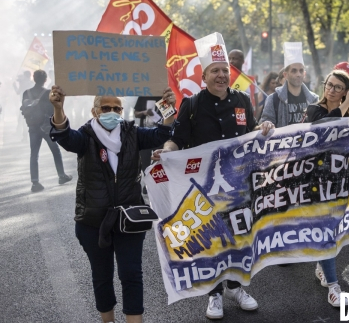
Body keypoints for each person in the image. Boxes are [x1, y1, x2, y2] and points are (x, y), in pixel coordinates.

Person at [154, 33, 273, 320]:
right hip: (205, 186)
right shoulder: (192, 105)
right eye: (215, 71)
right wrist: (165, 152)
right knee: (212, 240)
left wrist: (265, 127)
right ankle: (215, 294)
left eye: (224, 71)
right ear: (205, 75)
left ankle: (237, 287)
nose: (222, 75)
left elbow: (252, 134)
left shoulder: (243, 100)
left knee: (239, 237)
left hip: (239, 183)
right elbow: (177, 141)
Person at [49, 84, 176, 323]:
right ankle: (108, 320)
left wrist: (168, 105)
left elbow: (162, 134)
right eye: (105, 107)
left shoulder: (132, 133)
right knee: (102, 276)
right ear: (94, 111)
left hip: (130, 221)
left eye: (117, 108)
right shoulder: (85, 137)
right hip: (93, 222)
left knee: (132, 275)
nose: (112, 112)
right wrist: (58, 108)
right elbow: (64, 136)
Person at [305, 70, 349, 307]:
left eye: (338, 87)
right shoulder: (314, 109)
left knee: (333, 229)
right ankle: (334, 286)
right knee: (325, 229)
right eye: (329, 85)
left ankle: (321, 266)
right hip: (316, 180)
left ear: (346, 91)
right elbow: (325, 128)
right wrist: (346, 103)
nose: (332, 90)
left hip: (341, 180)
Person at [22, 70, 71, 192]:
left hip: (32, 127)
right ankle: (61, 176)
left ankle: (35, 182)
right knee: (55, 150)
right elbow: (53, 111)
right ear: (45, 80)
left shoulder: (26, 93)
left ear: (34, 78)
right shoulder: (48, 93)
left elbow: (24, 110)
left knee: (34, 154)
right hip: (46, 128)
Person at [260, 42, 318, 128]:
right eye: (294, 71)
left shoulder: (314, 99)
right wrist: (266, 125)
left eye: (301, 71)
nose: (298, 74)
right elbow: (265, 122)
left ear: (304, 74)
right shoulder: (273, 99)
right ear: (285, 75)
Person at [133, 96, 162, 171]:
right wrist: (144, 112)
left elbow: (168, 114)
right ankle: (147, 177)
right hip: (144, 135)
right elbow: (136, 114)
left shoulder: (161, 98)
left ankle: (154, 179)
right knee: (144, 161)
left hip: (159, 134)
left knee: (159, 160)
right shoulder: (143, 97)